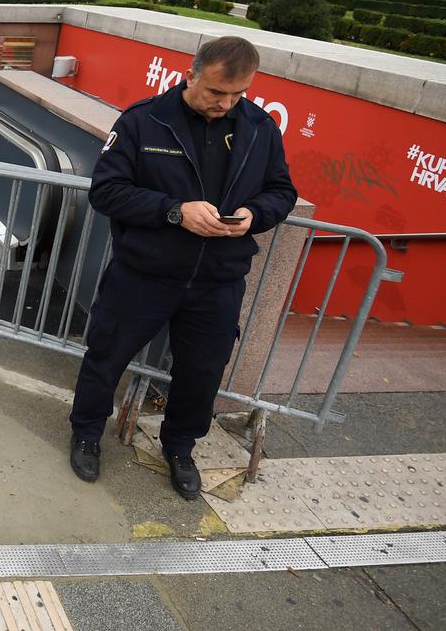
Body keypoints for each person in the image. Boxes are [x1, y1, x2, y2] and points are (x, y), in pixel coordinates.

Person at [67, 36, 296, 500]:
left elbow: (282, 191)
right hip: (143, 274)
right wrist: (175, 211)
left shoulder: (259, 127)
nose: (225, 104)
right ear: (190, 75)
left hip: (218, 279)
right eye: (216, 92)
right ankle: (87, 433)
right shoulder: (143, 120)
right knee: (107, 356)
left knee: (202, 372)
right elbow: (106, 191)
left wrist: (255, 214)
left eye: (238, 94)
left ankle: (180, 447)